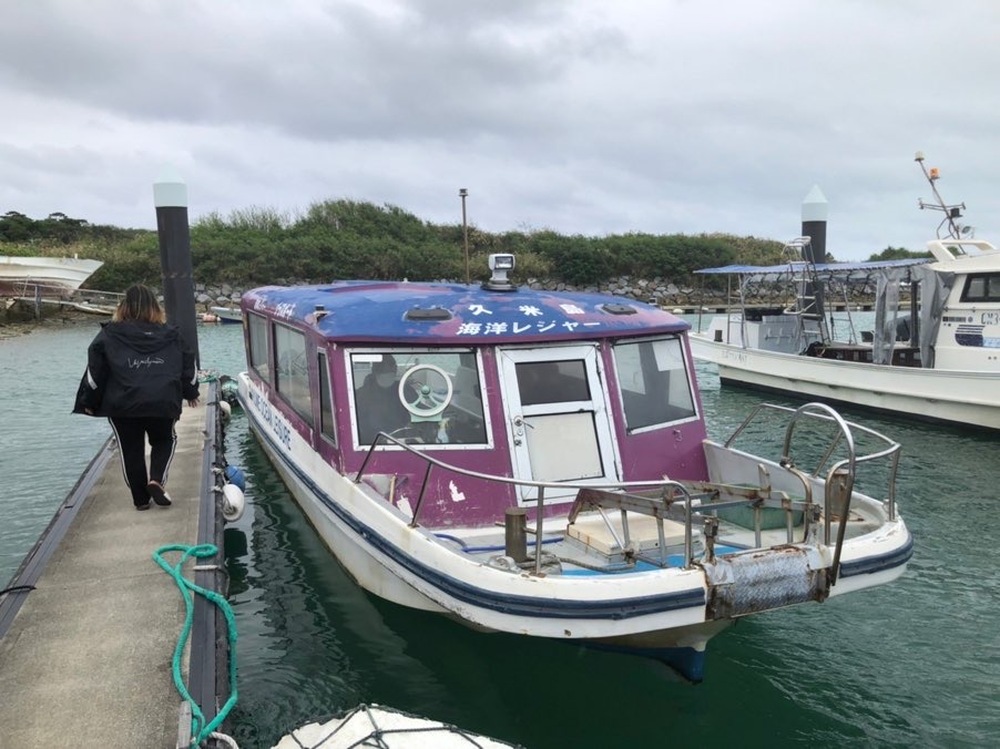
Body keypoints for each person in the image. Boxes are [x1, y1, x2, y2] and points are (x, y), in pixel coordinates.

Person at [74, 284, 200, 510]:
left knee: (130, 449)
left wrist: (88, 402)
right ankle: (156, 480)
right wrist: (191, 392)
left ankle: (141, 500)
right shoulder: (172, 334)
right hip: (163, 401)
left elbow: (95, 373)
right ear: (155, 308)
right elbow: (188, 366)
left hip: (123, 404)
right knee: (164, 439)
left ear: (123, 307)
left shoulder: (108, 335)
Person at [354, 354, 412, 444]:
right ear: (374, 371)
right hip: (371, 444)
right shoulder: (360, 395)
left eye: (391, 367)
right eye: (383, 368)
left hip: (403, 441)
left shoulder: (406, 390)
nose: (387, 371)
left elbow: (419, 412)